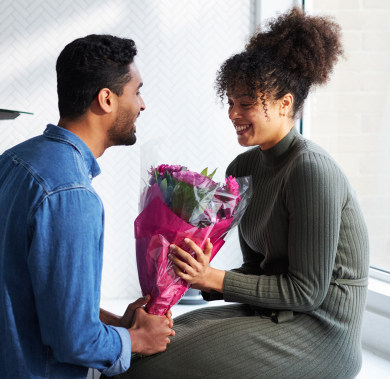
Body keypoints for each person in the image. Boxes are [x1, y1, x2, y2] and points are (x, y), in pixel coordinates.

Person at [112, 8, 370, 378]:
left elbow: (307, 293)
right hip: (269, 315)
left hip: (318, 332)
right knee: (136, 351)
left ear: (285, 104)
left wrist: (212, 278)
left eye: (246, 102)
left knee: (143, 370)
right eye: (231, 101)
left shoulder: (311, 170)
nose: (234, 112)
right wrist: (183, 275)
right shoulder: (244, 169)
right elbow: (257, 269)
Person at [0, 34, 175, 379]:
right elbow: (74, 341)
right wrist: (137, 339)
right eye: (137, 91)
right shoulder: (71, 194)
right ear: (106, 99)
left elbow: (38, 296)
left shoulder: (10, 162)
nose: (142, 104)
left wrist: (115, 324)